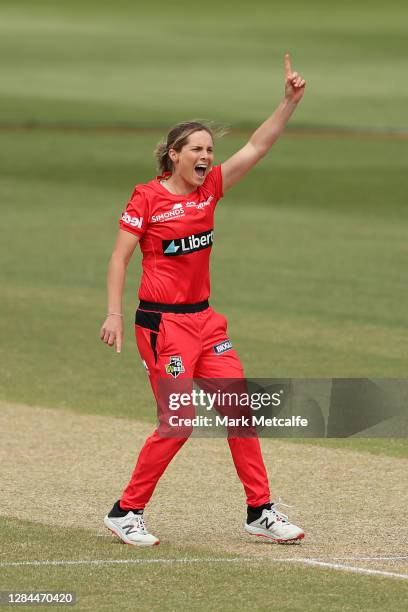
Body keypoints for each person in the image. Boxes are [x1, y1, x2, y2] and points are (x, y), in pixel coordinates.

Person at [100, 54, 306, 546]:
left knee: (240, 412)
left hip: (207, 324)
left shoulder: (210, 190)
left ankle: (260, 510)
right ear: (174, 154)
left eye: (210, 150)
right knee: (179, 423)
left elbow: (258, 146)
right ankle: (125, 511)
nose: (206, 157)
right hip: (162, 326)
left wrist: (288, 103)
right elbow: (118, 260)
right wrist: (112, 312)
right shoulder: (147, 199)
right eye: (196, 148)